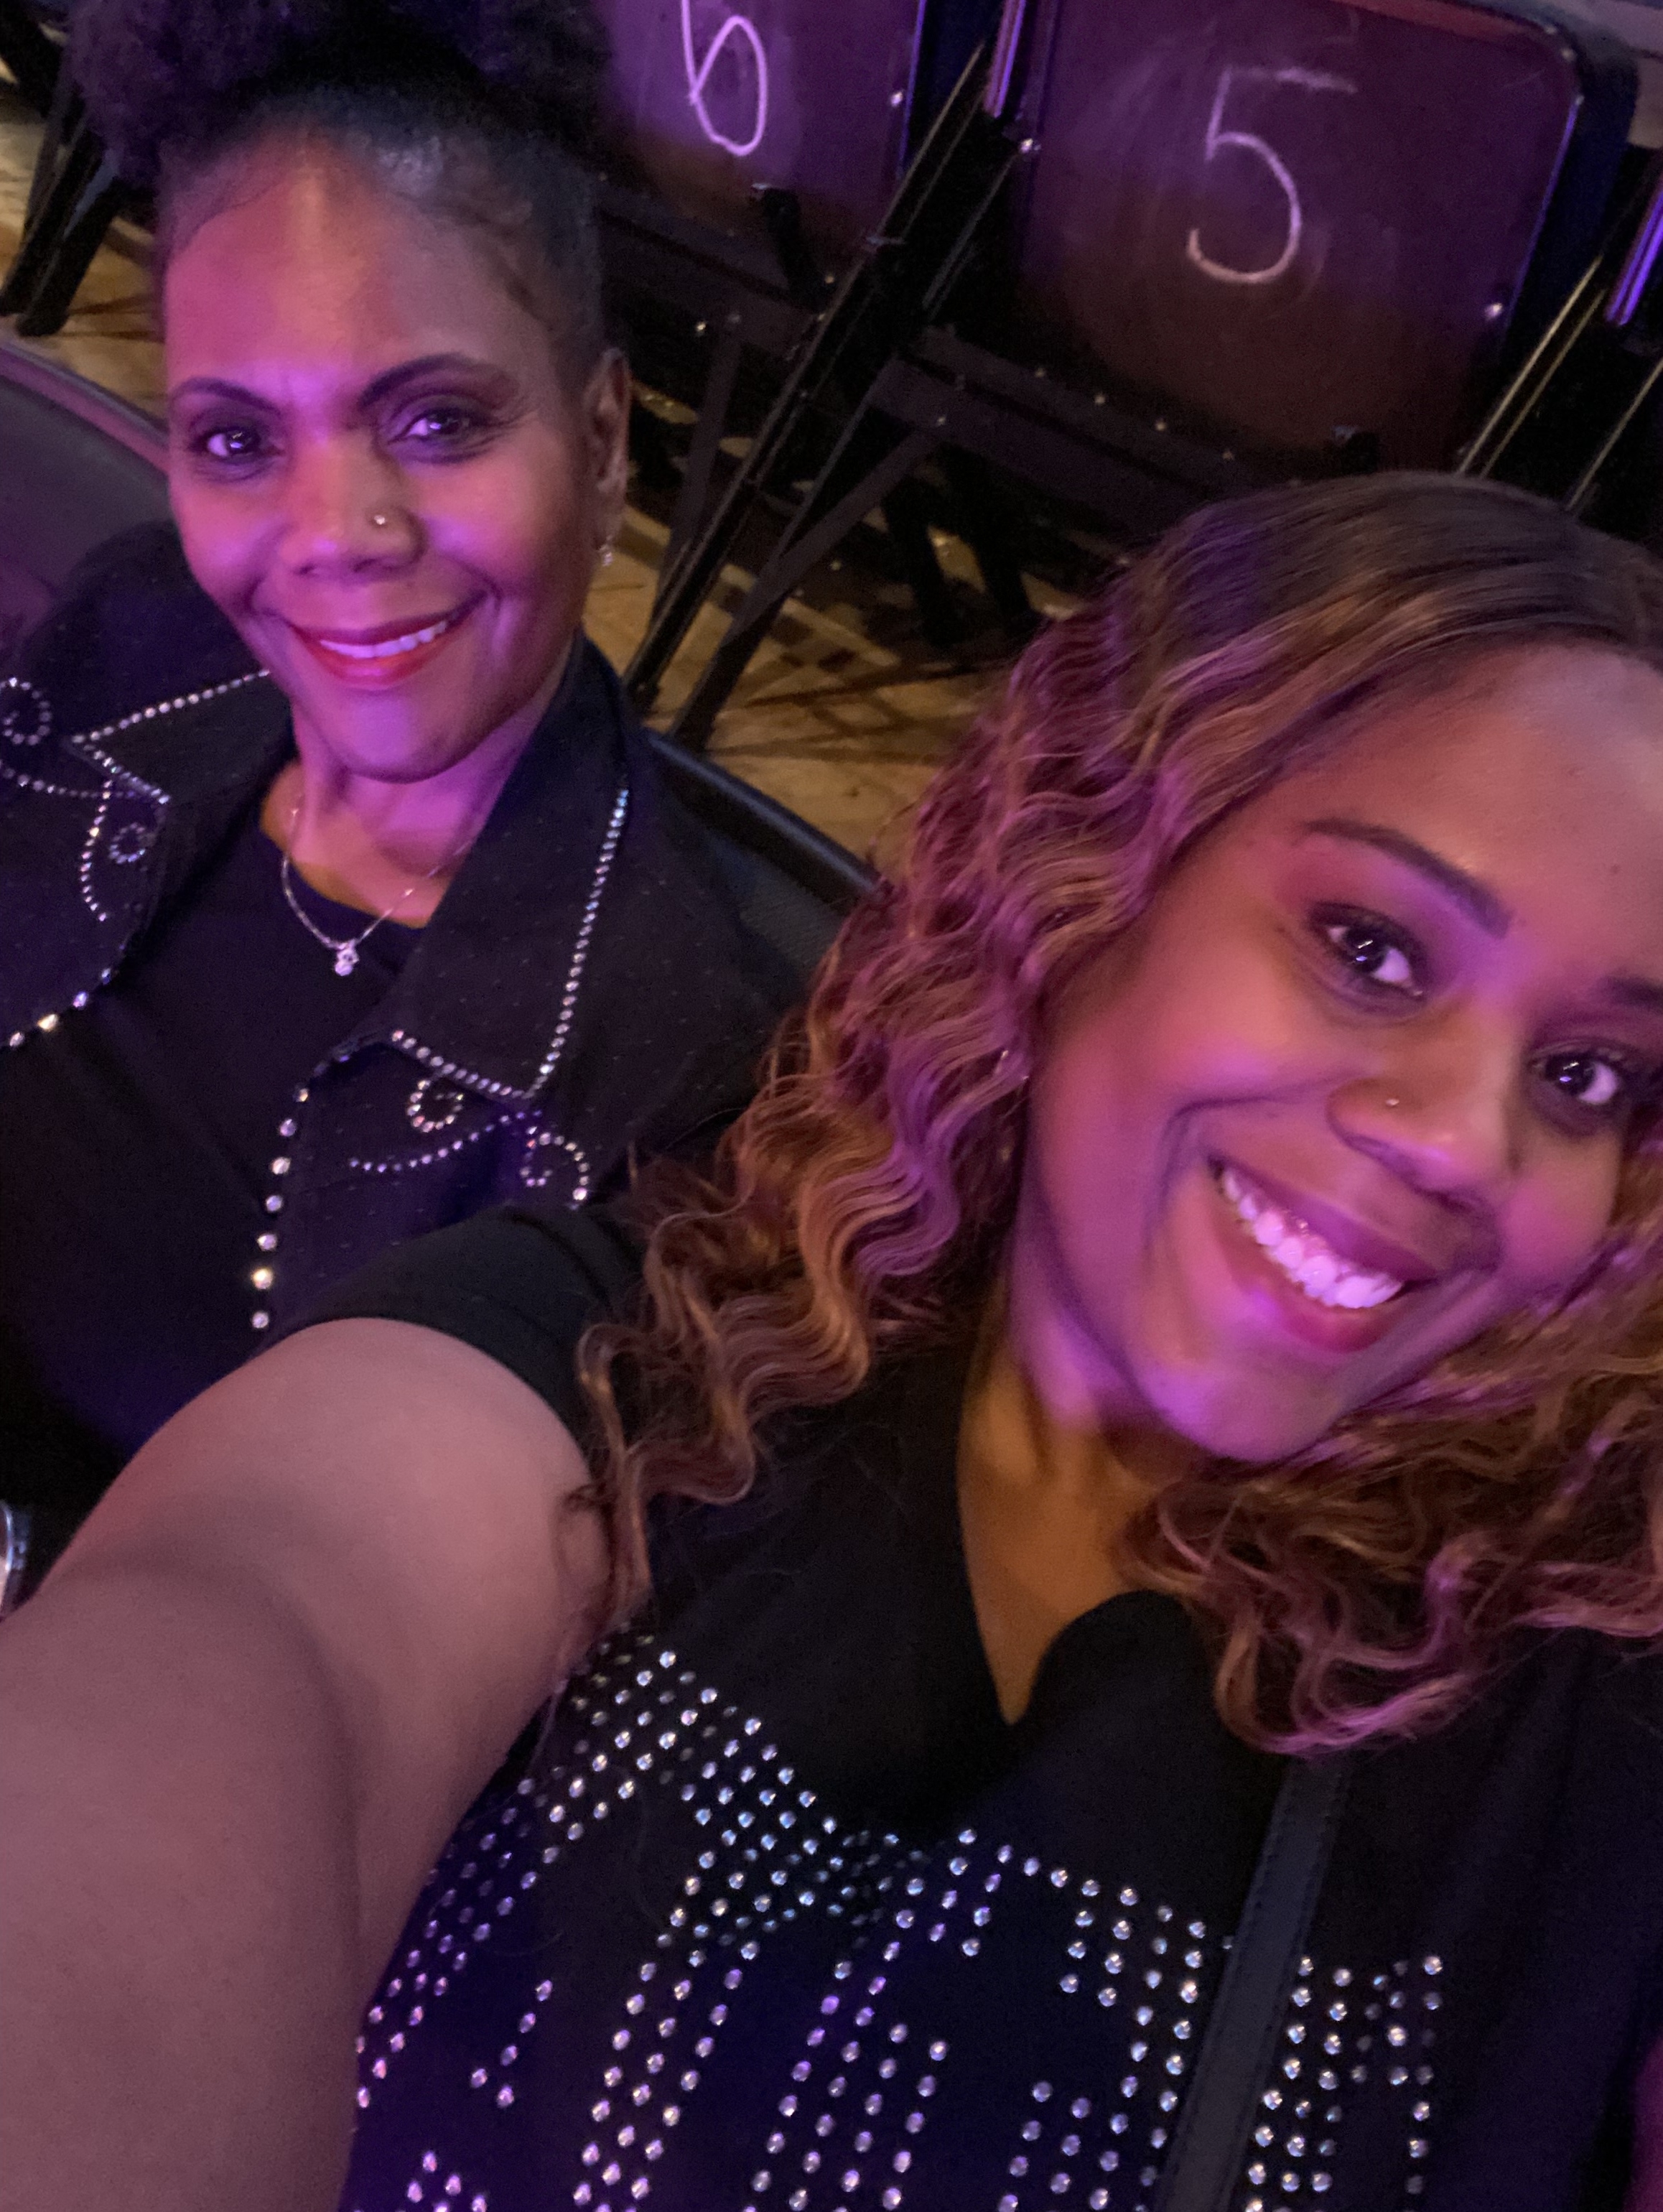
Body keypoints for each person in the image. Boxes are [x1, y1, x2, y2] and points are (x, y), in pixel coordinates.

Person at [9, 473, 1663, 2212]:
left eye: (1589, 1075)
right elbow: (249, 1651)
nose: (1468, 1143)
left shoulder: (1581, 1674)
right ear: (1087, 874)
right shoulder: (620, 1370)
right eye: (1371, 949)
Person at [0, 0, 799, 1597]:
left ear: (603, 440)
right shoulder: (135, 638)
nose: (336, 534)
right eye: (238, 439)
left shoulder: (667, 1082)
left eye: (437, 421)